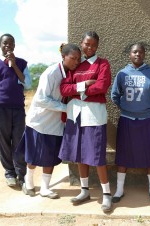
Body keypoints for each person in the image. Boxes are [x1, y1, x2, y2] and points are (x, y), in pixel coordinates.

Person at [59, 31, 113, 213]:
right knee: (80, 154)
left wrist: (79, 93)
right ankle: (84, 190)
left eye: (93, 45)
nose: (89, 48)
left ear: (97, 47)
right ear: (81, 44)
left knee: (96, 155)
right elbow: (64, 88)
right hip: (75, 116)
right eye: (87, 44)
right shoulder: (75, 64)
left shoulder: (102, 63)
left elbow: (102, 86)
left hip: (94, 115)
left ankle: (106, 194)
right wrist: (84, 86)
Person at [18, 43, 81, 199]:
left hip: (56, 124)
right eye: (73, 58)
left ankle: (45, 188)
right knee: (33, 155)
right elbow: (41, 100)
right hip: (39, 122)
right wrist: (65, 108)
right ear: (63, 57)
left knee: (51, 156)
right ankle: (29, 183)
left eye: (78, 59)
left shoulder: (71, 74)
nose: (76, 62)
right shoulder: (51, 73)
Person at [110, 42, 150, 203]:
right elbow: (115, 95)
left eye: (140, 52)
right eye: (134, 52)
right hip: (127, 119)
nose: (137, 55)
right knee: (123, 155)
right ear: (130, 54)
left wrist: (146, 109)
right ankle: (119, 190)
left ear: (144, 54)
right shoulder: (122, 74)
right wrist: (127, 108)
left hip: (147, 119)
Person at [0, 33, 31, 188]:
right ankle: (9, 173)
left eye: (11, 43)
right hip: (0, 108)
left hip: (18, 108)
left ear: (14, 46)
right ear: (0, 45)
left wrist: (14, 65)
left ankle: (21, 174)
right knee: (4, 142)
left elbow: (28, 84)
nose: (7, 46)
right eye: (4, 43)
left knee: (19, 141)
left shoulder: (22, 64)